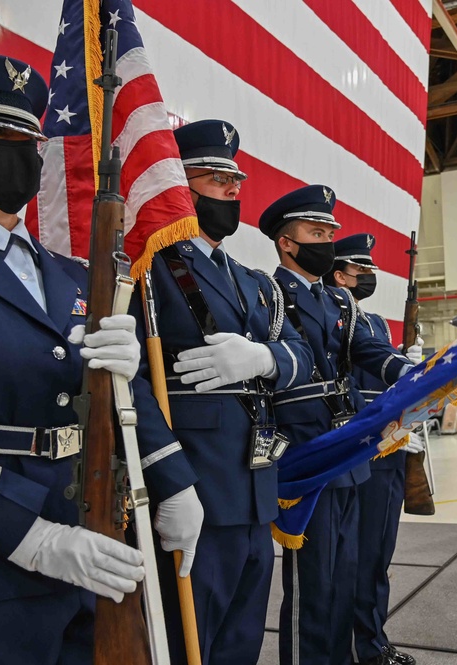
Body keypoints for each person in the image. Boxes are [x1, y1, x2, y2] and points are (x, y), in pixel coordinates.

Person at [0, 54, 203, 664]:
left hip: (85, 549)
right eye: (1, 137)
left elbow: (109, 392)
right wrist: (32, 539)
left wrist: (173, 478)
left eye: (30, 137)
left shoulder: (76, 276)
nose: (23, 153)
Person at [138, 119, 313, 664]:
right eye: (216, 178)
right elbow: (130, 381)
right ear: (178, 185)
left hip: (256, 488)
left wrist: (264, 357)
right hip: (197, 484)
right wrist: (169, 482)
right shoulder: (152, 265)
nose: (232, 189)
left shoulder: (254, 281)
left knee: (241, 641)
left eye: (235, 179)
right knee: (191, 640)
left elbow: (301, 355)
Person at [258, 186, 421, 665]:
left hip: (348, 454)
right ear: (287, 243)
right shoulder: (268, 292)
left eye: (330, 231)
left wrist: (406, 372)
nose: (327, 240)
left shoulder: (340, 304)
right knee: (314, 587)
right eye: (316, 232)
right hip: (306, 452)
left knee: (346, 574)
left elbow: (365, 352)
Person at [323, 234, 421, 665]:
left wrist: (409, 364)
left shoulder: (376, 323)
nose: (369, 279)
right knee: (351, 559)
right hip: (358, 445)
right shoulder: (329, 315)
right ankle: (347, 647)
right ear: (340, 274)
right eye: (361, 272)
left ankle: (373, 643)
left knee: (378, 554)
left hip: (389, 448)